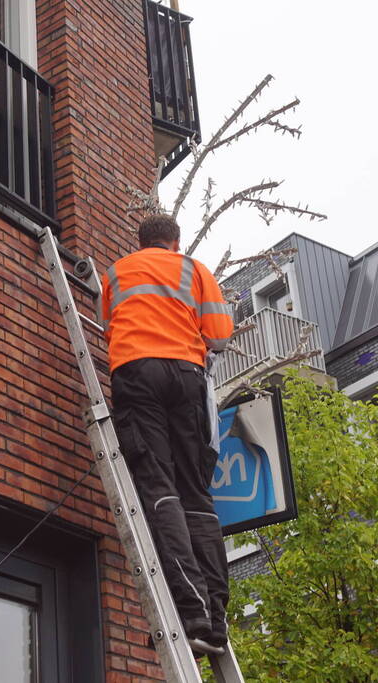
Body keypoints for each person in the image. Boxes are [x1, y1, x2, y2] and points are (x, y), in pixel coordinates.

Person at [100, 213, 234, 656]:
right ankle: (214, 614)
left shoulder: (116, 273)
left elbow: (108, 327)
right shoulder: (193, 270)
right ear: (175, 242)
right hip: (186, 375)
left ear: (140, 242)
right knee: (195, 493)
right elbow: (218, 337)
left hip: (137, 373)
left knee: (159, 485)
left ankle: (192, 610)